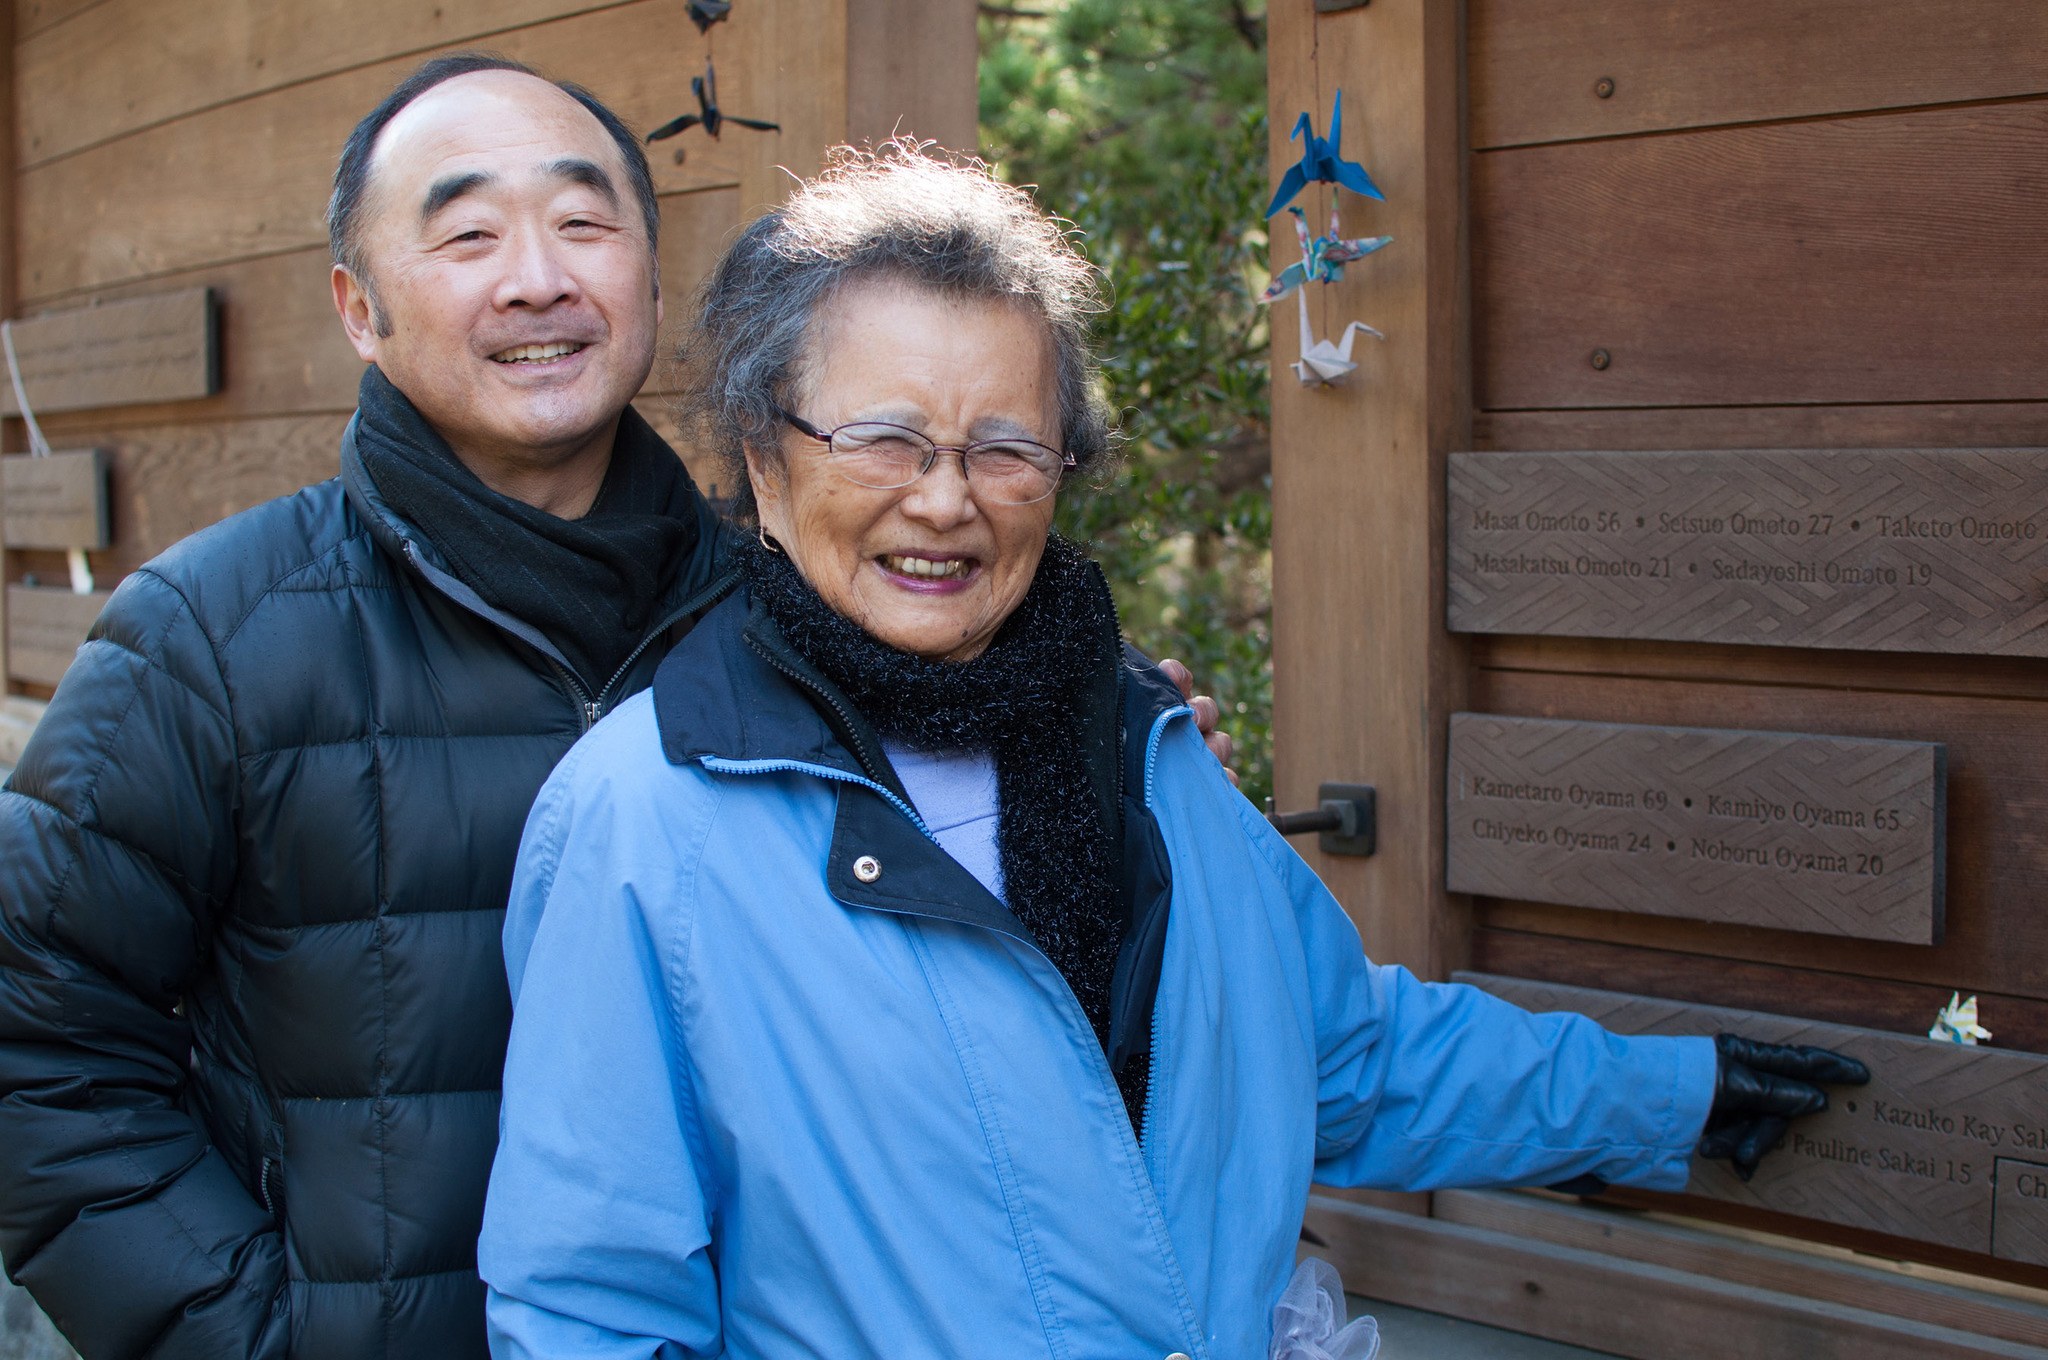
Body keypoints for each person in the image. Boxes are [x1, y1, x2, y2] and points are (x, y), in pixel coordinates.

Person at [478, 143, 1867, 1359]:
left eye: (1006, 446)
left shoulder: (1147, 755)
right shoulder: (646, 818)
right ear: (763, 459)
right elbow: (592, 1306)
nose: (947, 499)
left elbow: (1348, 1062)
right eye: (883, 438)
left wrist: (1669, 1091)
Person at [0, 57, 1229, 1360]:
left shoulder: (804, 619)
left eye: (585, 224)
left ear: (649, 276)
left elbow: (985, 968)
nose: (539, 277)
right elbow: (37, 1044)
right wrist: (258, 1339)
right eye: (469, 235)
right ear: (360, 310)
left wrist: (1124, 789)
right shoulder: (214, 637)